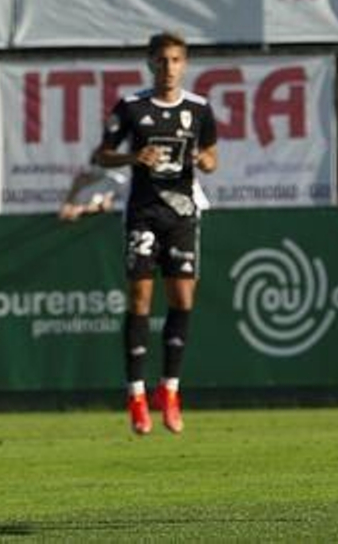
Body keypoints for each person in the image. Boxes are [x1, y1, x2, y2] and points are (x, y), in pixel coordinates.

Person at [92, 30, 218, 437]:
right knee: (141, 298)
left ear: (185, 64)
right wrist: (133, 155)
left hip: (182, 214)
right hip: (144, 214)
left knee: (182, 298)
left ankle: (170, 390)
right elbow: (101, 153)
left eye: (176, 60)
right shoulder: (132, 107)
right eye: (161, 60)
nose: (168, 68)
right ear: (150, 62)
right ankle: (136, 395)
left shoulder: (199, 109)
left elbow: (213, 157)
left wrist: (205, 159)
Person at [57, 166, 128, 221]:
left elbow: (81, 178)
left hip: (113, 171)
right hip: (121, 179)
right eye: (74, 215)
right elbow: (107, 205)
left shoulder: (79, 197)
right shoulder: (91, 207)